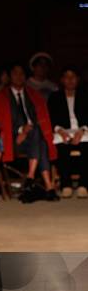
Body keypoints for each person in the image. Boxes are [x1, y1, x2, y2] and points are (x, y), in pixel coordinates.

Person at [0, 63, 59, 202]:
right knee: (40, 142)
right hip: (14, 141)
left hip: (33, 138)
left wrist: (27, 131)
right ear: (10, 76)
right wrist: (19, 132)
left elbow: (42, 118)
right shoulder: (2, 96)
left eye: (22, 73)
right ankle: (48, 186)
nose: (19, 76)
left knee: (39, 138)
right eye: (15, 73)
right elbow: (0, 122)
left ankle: (31, 177)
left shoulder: (33, 95)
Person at [47, 67, 88, 198]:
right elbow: (50, 117)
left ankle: (83, 185)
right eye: (67, 77)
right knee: (62, 147)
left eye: (73, 77)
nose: (70, 80)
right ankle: (66, 185)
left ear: (78, 79)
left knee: (86, 147)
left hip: (83, 129)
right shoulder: (54, 97)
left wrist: (82, 130)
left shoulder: (85, 94)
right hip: (62, 130)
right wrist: (61, 131)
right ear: (62, 80)